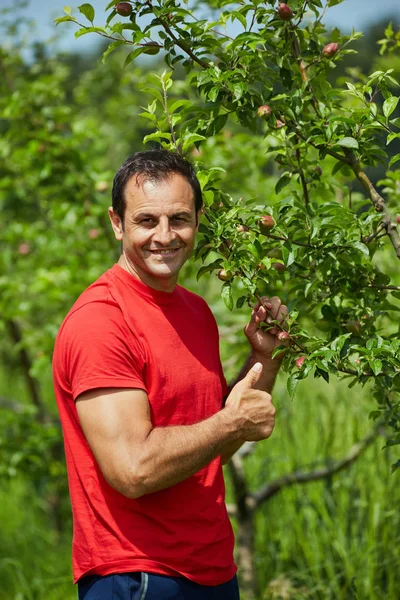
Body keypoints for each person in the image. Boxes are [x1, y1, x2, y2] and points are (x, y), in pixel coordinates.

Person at [52, 149, 288, 600]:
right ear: (117, 223)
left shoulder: (196, 313)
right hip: (136, 574)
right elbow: (132, 470)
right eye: (146, 221)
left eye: (179, 218)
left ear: (198, 220)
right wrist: (233, 421)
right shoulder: (101, 321)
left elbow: (211, 443)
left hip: (213, 569)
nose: (165, 236)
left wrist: (265, 360)